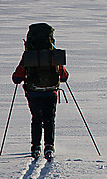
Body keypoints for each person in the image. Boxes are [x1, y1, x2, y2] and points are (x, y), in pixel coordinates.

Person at [12, 23, 69, 160]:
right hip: (51, 92)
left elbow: (17, 77)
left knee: (36, 119)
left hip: (33, 92)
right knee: (49, 119)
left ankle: (36, 147)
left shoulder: (28, 55)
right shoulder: (53, 55)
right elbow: (64, 76)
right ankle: (49, 146)